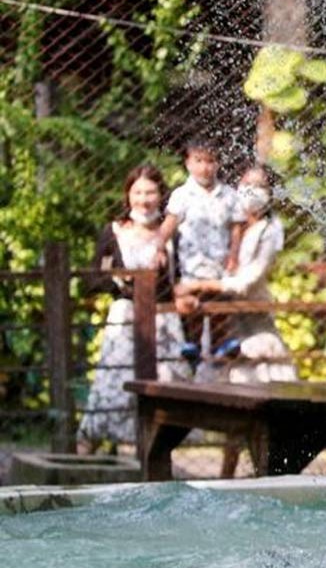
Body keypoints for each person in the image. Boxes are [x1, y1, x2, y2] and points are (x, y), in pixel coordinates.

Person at [175, 164, 296, 477]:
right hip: (224, 324)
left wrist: (200, 286)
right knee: (231, 413)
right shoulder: (232, 224)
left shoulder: (270, 230)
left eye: (258, 186)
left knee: (254, 405)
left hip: (254, 328)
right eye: (245, 184)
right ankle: (228, 478)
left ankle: (264, 473)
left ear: (271, 193)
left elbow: (247, 281)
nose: (250, 192)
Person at [79, 165, 192, 454]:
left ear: (161, 195)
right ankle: (85, 452)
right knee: (113, 383)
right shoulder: (114, 231)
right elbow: (93, 279)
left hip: (164, 319)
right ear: (128, 195)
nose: (144, 199)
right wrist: (120, 278)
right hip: (125, 318)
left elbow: (182, 278)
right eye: (138, 192)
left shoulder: (172, 234)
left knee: (169, 385)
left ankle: (156, 454)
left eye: (150, 192)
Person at [157, 137, 245, 361]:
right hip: (191, 262)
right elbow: (169, 224)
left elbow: (236, 228)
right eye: (198, 161)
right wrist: (158, 247)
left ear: (217, 164)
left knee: (217, 305)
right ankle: (192, 343)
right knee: (191, 304)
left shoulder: (229, 195)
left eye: (210, 161)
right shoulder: (182, 195)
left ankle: (219, 344)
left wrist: (234, 256)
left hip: (219, 261)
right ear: (188, 163)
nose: (204, 167)